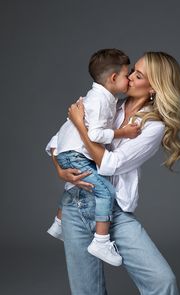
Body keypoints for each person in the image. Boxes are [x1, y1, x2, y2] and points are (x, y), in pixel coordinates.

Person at [49, 51, 180, 294]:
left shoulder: (153, 127)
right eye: (132, 71)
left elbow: (109, 164)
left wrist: (82, 126)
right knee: (87, 291)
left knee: (162, 281)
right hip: (75, 205)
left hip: (114, 211)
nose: (130, 77)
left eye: (139, 75)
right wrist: (60, 169)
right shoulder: (109, 103)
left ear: (154, 87)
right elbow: (60, 139)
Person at [46, 48, 141, 266]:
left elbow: (65, 133)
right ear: (114, 78)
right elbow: (95, 134)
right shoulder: (99, 102)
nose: (129, 80)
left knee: (76, 185)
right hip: (75, 155)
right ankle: (101, 241)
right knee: (106, 191)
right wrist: (123, 132)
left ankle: (59, 222)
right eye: (128, 75)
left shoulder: (97, 98)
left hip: (68, 152)